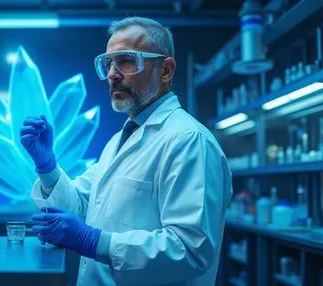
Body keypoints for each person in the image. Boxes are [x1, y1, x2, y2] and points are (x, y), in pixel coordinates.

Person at [19, 17, 232, 286]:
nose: (112, 74)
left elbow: (190, 251)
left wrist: (95, 241)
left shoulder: (188, 141)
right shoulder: (120, 140)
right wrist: (47, 165)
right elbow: (82, 208)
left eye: (127, 61)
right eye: (108, 63)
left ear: (165, 70)